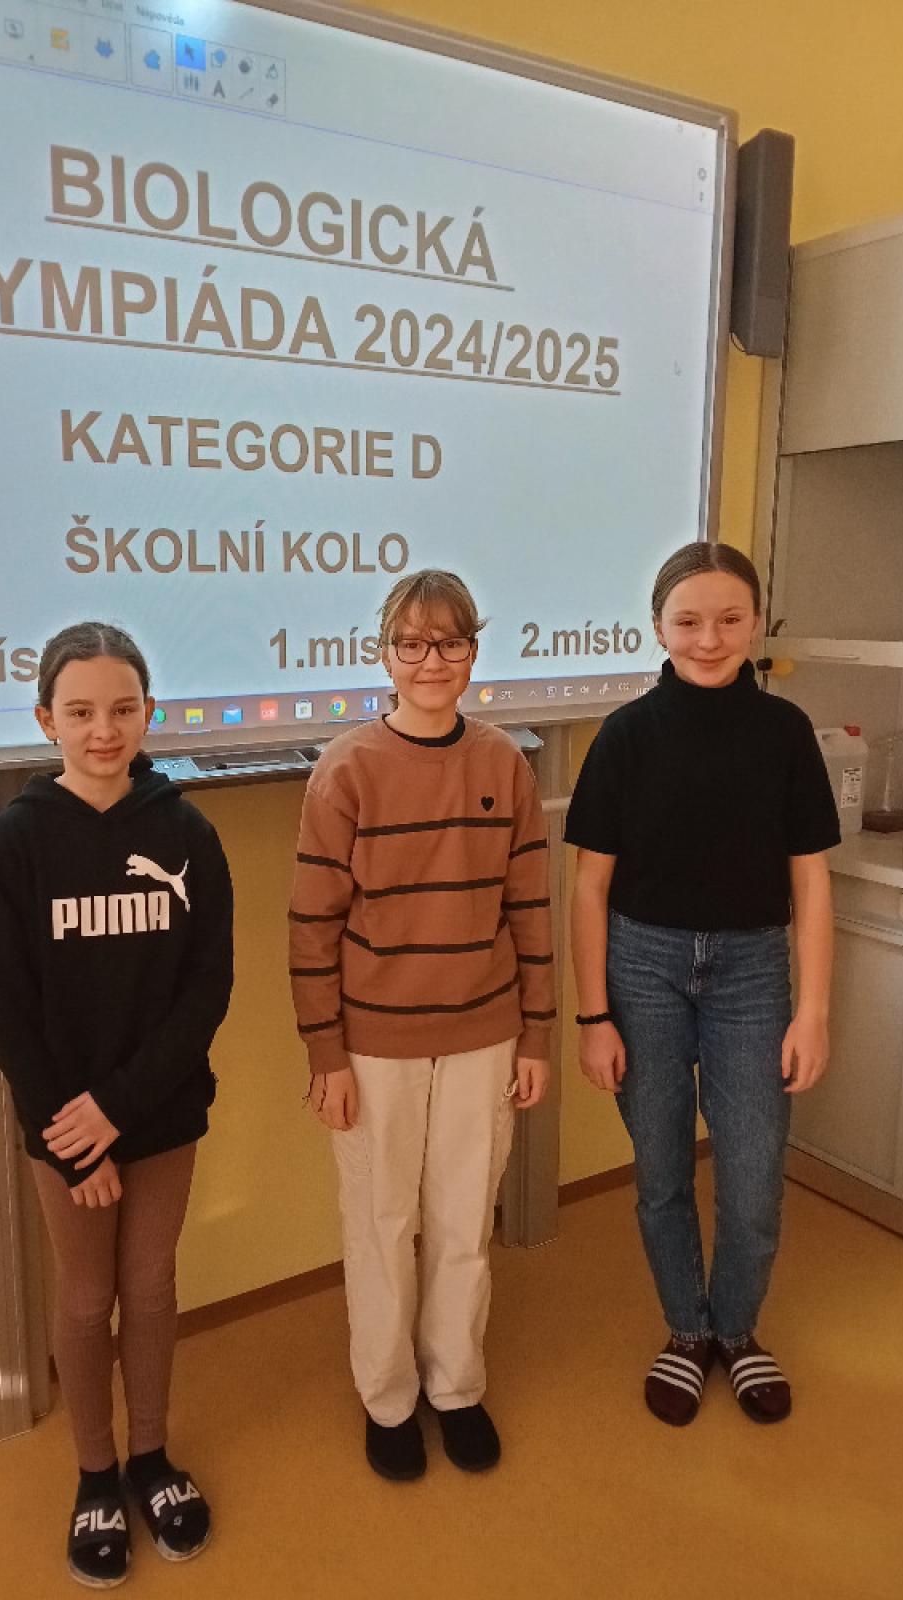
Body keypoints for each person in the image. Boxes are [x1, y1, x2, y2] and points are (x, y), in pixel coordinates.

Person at [0, 621, 233, 1587]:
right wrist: (76, 1139)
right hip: (64, 1129)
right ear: (47, 719)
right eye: (80, 712)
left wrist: (119, 1110)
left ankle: (151, 1458)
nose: (103, 730)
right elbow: (8, 1012)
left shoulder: (187, 833)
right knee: (87, 1300)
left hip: (158, 1113)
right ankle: (94, 1474)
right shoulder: (11, 845)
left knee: (152, 1287)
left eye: (122, 709)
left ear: (148, 714)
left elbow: (206, 989)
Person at [289, 569, 556, 1481]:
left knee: (462, 1224)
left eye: (449, 643)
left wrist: (537, 1036)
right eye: (412, 643)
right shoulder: (346, 769)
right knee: (380, 1224)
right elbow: (312, 924)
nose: (431, 660)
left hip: (487, 1033)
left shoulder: (504, 763)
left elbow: (529, 908)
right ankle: (389, 1398)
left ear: (473, 652)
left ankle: (456, 1387)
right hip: (374, 1045)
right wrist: (326, 1054)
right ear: (385, 654)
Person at [566, 541, 839, 1427]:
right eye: (688, 621)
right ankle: (688, 1331)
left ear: (755, 623)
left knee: (753, 1178)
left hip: (753, 971)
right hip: (641, 967)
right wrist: (594, 1017)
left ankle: (738, 1329)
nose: (709, 639)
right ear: (657, 627)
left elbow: (810, 881)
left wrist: (813, 1011)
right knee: (661, 1173)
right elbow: (589, 888)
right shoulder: (625, 735)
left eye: (729, 619)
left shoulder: (785, 733)